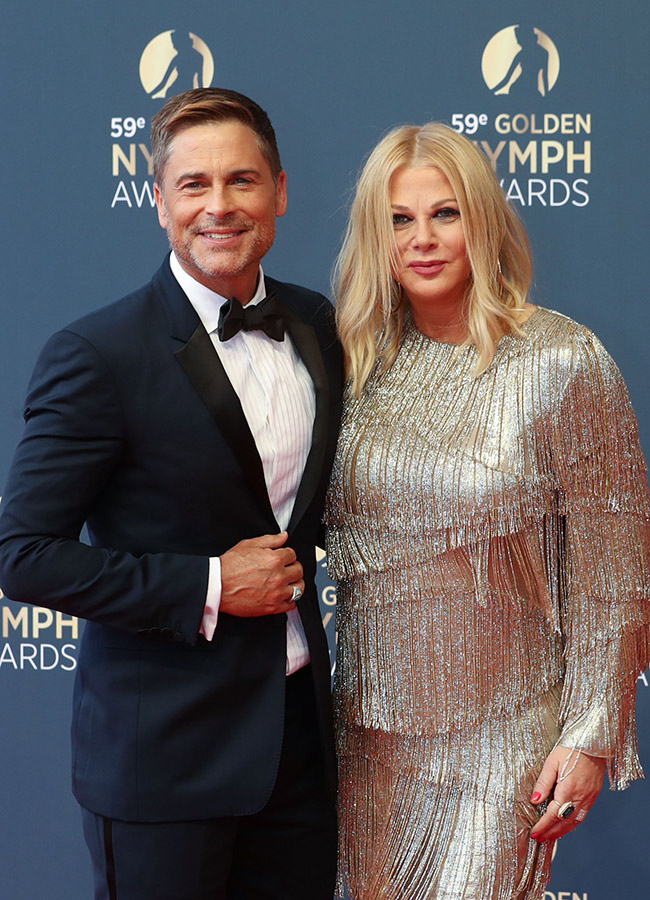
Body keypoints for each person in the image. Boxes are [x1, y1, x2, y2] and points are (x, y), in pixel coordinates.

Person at [0, 87, 342, 900]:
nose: (219, 206)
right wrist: (214, 584)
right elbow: (23, 557)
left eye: (242, 181)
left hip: (298, 747)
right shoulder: (97, 354)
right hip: (165, 767)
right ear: (159, 202)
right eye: (193, 185)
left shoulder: (317, 324)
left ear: (281, 192)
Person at [324, 122, 650, 900]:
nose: (423, 240)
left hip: (505, 733)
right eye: (399, 220)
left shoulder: (563, 361)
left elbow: (613, 567)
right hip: (368, 735)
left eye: (446, 214)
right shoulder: (350, 365)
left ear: (485, 221)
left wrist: (592, 735)